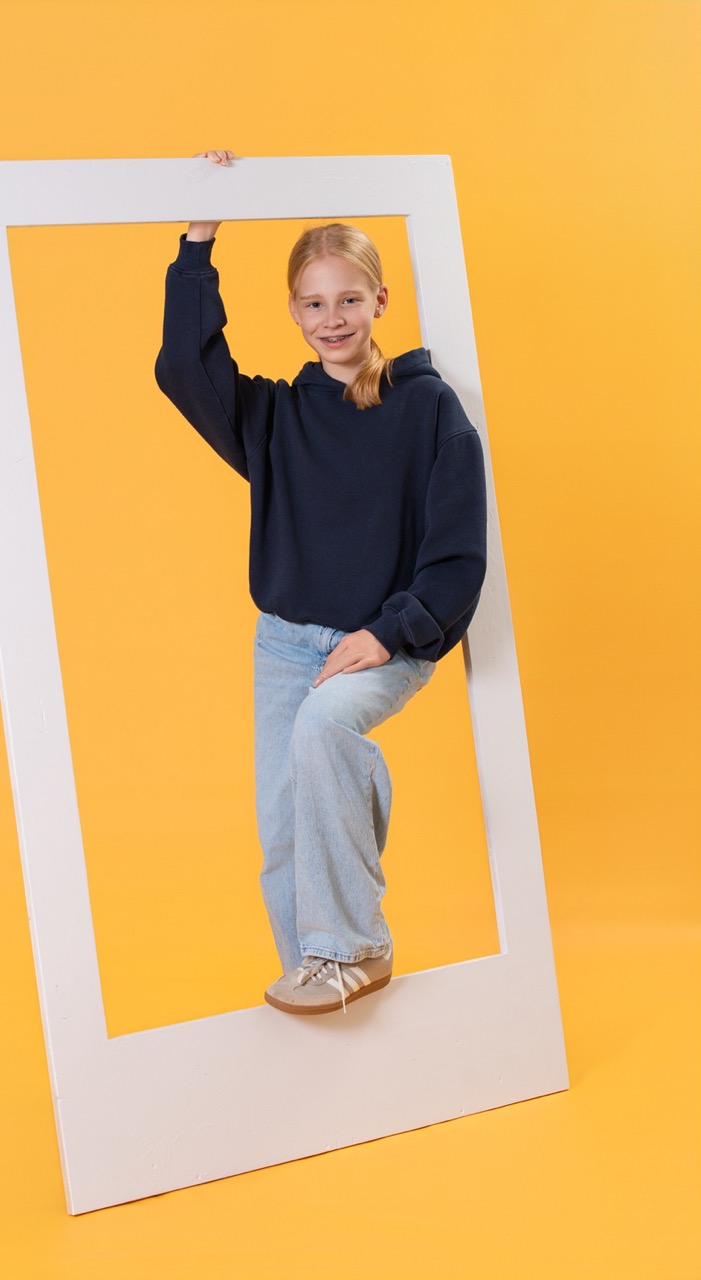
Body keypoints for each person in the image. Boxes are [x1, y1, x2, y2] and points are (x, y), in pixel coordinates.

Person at [155, 149, 487, 1016]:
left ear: (380, 301)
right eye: (312, 303)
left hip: (386, 640)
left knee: (326, 728)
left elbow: (457, 557)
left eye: (348, 299)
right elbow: (184, 369)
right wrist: (199, 238)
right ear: (293, 310)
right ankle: (319, 974)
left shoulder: (430, 410)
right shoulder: (272, 416)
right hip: (284, 643)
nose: (330, 318)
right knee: (281, 829)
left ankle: (354, 948)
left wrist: (385, 633)